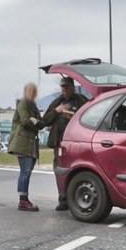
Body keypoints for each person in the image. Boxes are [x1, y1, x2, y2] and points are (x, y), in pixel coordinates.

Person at [43, 76, 88, 211]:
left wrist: (73, 116)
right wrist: (57, 111)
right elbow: (45, 120)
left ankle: (77, 197)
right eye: (62, 87)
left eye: (66, 86)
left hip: (78, 142)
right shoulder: (57, 102)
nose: (64, 89)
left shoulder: (81, 100)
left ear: (72, 87)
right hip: (60, 143)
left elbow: (91, 115)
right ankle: (62, 199)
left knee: (80, 169)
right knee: (60, 169)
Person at [7, 83, 44, 211]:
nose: (32, 93)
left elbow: (42, 123)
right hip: (22, 143)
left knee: (27, 171)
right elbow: (25, 121)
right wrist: (34, 121)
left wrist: (35, 120)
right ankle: (23, 200)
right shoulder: (23, 104)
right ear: (26, 92)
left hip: (32, 143)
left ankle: (24, 198)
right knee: (25, 171)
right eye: (29, 91)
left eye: (34, 91)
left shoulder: (33, 106)